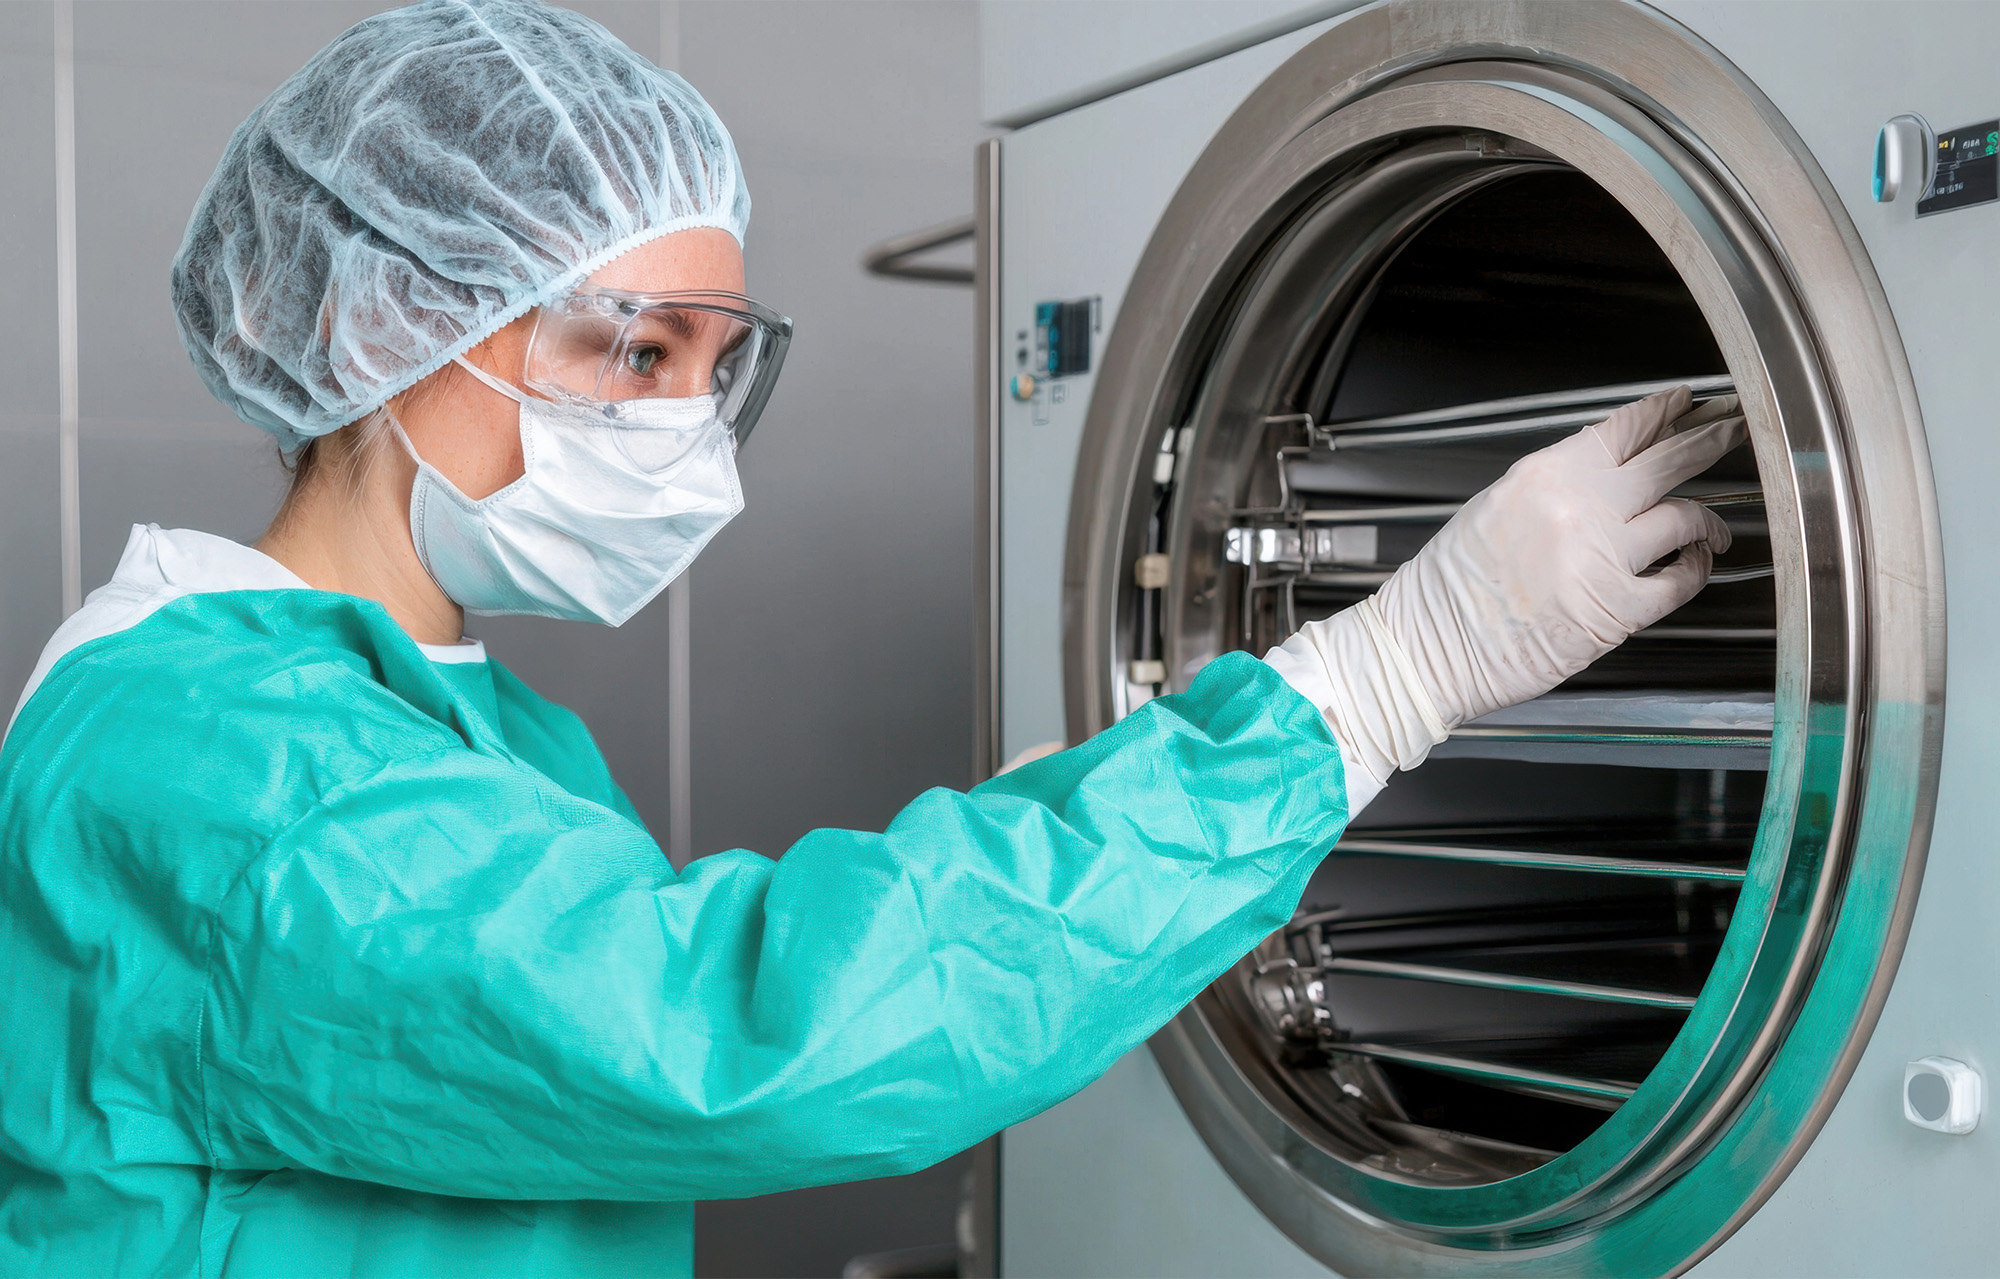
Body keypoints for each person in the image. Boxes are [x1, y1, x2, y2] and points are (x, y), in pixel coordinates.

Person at [0, 2, 1744, 1275]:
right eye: (634, 350)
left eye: (716, 366)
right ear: (389, 320)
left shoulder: (455, 721)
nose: (686, 426)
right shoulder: (221, 769)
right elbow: (728, 1037)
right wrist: (1384, 678)